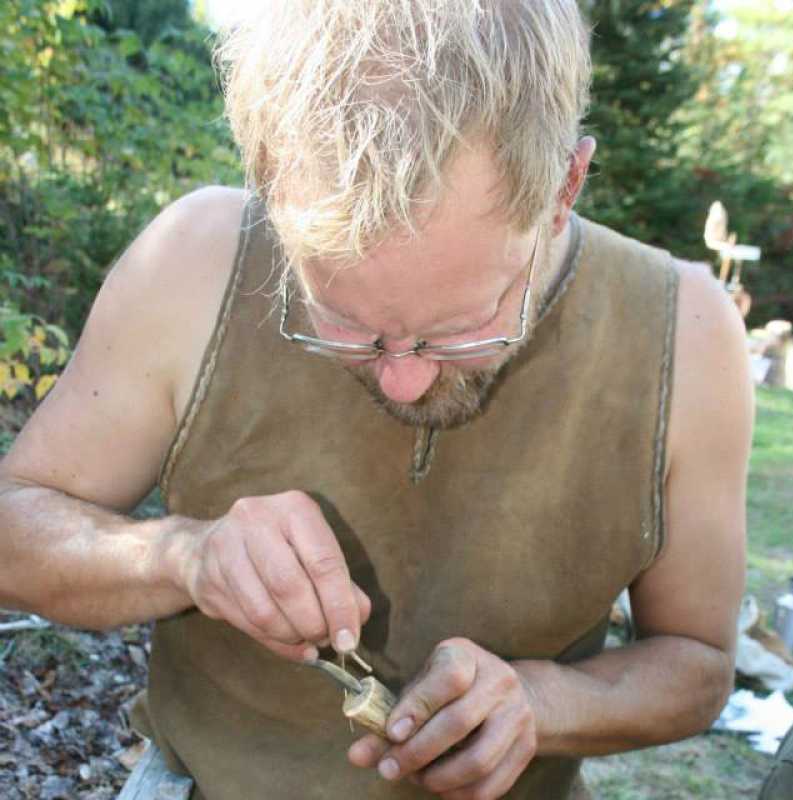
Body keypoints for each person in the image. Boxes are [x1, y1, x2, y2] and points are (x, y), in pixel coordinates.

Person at [0, 2, 752, 798]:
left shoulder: (685, 334)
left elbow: (698, 665)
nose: (403, 379)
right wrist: (183, 555)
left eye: (462, 327)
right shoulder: (195, 260)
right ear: (270, 179)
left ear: (565, 184)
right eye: (344, 322)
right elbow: (15, 531)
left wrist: (542, 701)